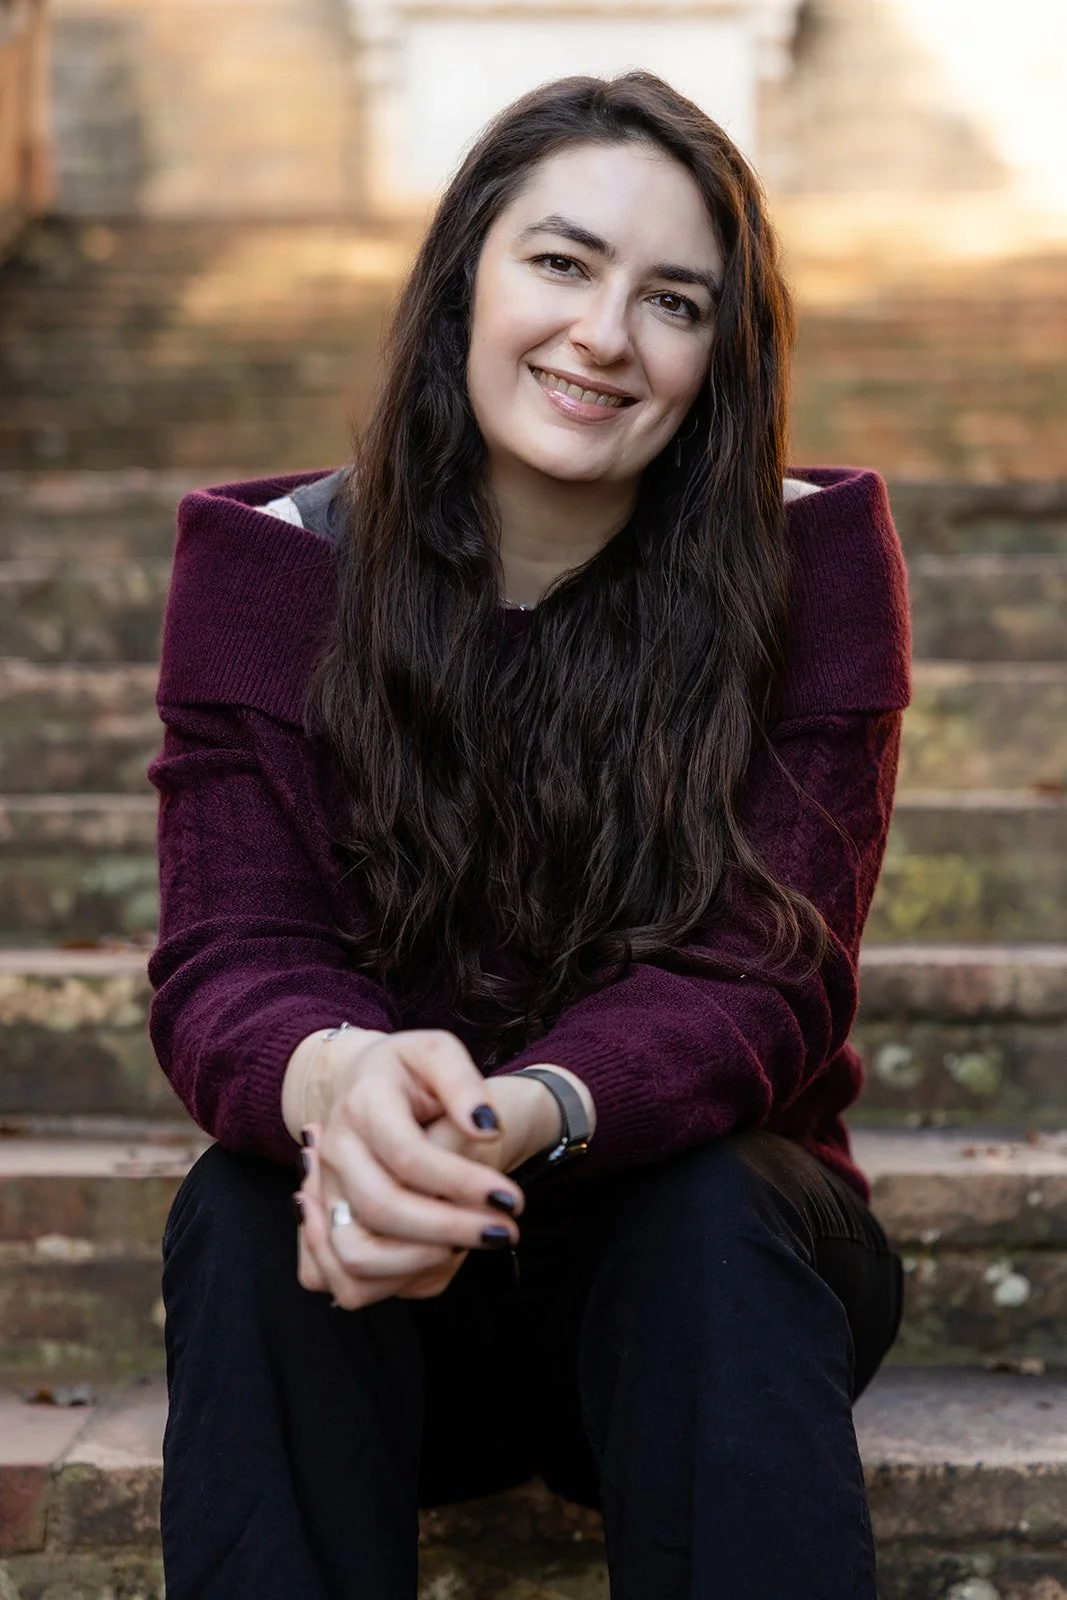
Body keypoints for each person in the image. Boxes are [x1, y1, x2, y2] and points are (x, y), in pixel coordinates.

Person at [149, 70, 910, 1600]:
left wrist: (509, 1120)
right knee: (243, 1206)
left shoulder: (806, 571)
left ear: (720, 355)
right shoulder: (267, 576)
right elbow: (232, 957)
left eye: (674, 302)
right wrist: (351, 1088)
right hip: (380, 1308)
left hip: (705, 1295)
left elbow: (763, 975)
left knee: (712, 1201)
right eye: (560, 263)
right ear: (465, 280)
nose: (603, 338)